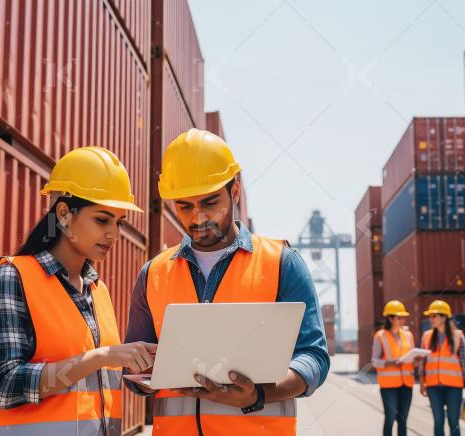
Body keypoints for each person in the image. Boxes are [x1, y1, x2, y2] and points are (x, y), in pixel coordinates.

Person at [124, 128, 330, 435]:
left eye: (209, 202)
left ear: (234, 192)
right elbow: (134, 372)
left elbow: (313, 356)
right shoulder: (153, 273)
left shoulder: (282, 263)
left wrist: (259, 395)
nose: (197, 217)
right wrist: (140, 374)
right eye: (184, 205)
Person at [0, 147, 157, 436]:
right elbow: (5, 386)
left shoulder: (98, 290)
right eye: (102, 219)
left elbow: (95, 383)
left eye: (119, 223)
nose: (114, 234)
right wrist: (102, 356)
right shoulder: (12, 277)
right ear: (63, 214)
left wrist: (143, 364)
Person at [419, 300, 465, 436]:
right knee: (438, 421)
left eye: (434, 316)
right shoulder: (426, 336)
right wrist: (421, 383)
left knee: (453, 421)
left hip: (453, 386)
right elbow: (422, 363)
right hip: (433, 386)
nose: (430, 319)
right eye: (430, 316)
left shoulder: (458, 336)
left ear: (444, 317)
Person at [372, 300, 416, 436]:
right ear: (390, 318)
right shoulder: (380, 336)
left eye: (404, 317)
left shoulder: (409, 335)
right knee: (390, 419)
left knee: (403, 420)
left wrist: (417, 360)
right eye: (399, 317)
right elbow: (374, 361)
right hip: (388, 386)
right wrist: (390, 363)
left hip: (407, 384)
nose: (403, 320)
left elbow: (411, 357)